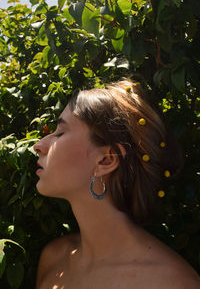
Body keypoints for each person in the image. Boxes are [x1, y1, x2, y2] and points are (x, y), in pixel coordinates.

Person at [33, 79, 200, 289]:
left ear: (106, 160)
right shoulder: (54, 259)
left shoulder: (171, 283)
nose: (38, 145)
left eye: (60, 133)